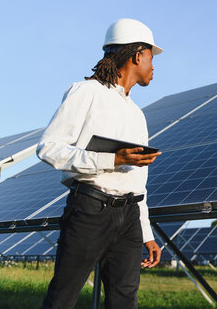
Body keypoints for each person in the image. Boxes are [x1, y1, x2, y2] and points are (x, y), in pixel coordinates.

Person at [36, 18, 163, 309]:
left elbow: (137, 179)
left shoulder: (137, 115)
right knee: (63, 299)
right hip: (90, 210)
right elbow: (49, 148)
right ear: (136, 55)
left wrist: (146, 233)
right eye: (151, 57)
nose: (153, 65)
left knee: (124, 302)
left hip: (130, 216)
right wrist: (112, 159)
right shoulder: (86, 92)